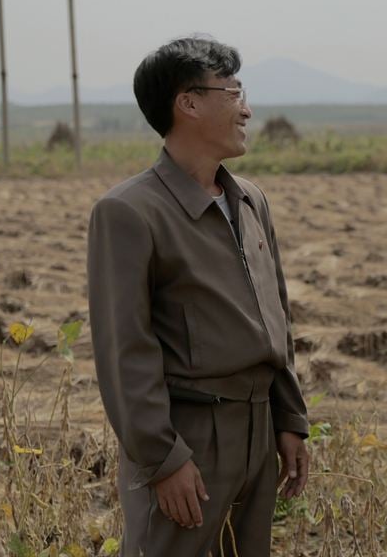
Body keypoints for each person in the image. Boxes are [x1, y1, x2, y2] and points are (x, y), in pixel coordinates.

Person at [87, 36, 309, 557]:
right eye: (233, 93)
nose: (247, 109)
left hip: (258, 427)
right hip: (188, 434)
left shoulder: (250, 199)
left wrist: (289, 419)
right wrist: (162, 458)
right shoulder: (129, 211)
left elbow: (276, 316)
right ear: (187, 103)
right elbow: (125, 350)